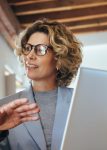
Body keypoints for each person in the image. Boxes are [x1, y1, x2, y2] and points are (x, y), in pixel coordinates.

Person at [0, 18, 82, 150]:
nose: (30, 56)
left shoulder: (80, 102)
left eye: (40, 49)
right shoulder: (3, 108)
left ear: (59, 58)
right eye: (28, 48)